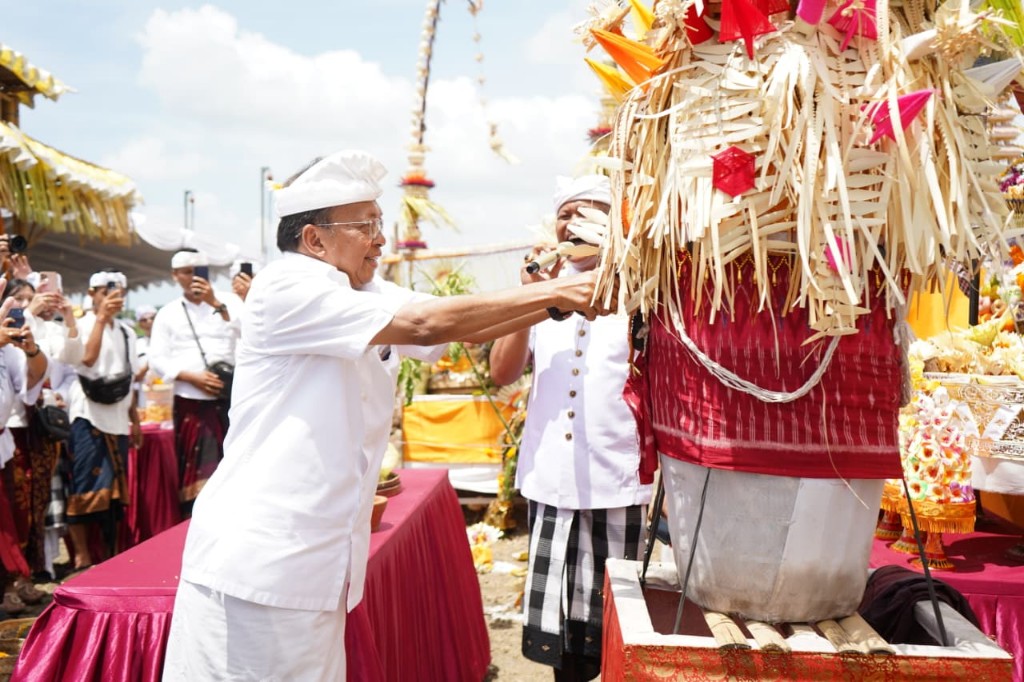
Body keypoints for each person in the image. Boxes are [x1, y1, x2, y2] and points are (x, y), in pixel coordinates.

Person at [163, 150, 610, 680]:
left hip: (318, 560)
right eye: (366, 225)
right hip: (261, 563)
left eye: (381, 223)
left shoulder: (365, 289)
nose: (381, 238)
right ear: (314, 240)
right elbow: (423, 324)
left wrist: (570, 294)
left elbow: (463, 329)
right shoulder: (287, 287)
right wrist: (561, 291)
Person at [489, 175, 651, 682]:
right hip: (551, 482)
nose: (573, 222)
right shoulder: (542, 289)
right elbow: (502, 372)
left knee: (615, 629)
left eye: (590, 211)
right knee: (562, 638)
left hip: (616, 480)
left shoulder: (642, 289)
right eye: (566, 213)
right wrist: (529, 298)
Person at [147, 251, 241, 516]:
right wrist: (192, 377)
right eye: (186, 272)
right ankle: (196, 524)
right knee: (197, 470)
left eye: (199, 271)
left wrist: (216, 304)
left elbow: (251, 333)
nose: (193, 277)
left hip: (232, 396)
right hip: (192, 399)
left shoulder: (229, 301)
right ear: (175, 276)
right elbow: (158, 358)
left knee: (237, 463)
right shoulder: (167, 313)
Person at [65, 271, 141, 571]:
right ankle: (82, 555)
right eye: (106, 290)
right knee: (84, 483)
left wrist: (134, 419)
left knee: (113, 492)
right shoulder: (80, 325)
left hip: (119, 415)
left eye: (118, 291)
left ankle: (110, 554)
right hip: (88, 413)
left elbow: (130, 378)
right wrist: (99, 318)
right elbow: (87, 359)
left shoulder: (127, 331)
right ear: (92, 293)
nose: (113, 297)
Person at [0, 280, 48, 612]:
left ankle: (11, 583)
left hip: (2, 442)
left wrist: (31, 351)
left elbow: (32, 381)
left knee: (8, 520)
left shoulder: (7, 349)